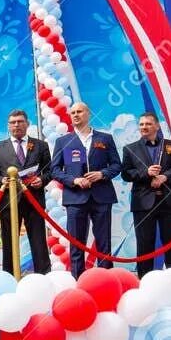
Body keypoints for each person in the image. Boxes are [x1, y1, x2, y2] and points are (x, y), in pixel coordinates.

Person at [51, 102, 122, 276]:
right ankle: (78, 280)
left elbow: (116, 165)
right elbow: (54, 170)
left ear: (88, 114)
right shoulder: (63, 141)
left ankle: (106, 280)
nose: (75, 115)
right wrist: (74, 180)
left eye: (79, 111)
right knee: (76, 243)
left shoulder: (105, 139)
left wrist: (102, 174)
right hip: (75, 198)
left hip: (102, 196)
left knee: (104, 243)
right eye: (73, 112)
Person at [120, 112, 171, 274]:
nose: (144, 127)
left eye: (148, 124)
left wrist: (165, 176)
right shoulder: (130, 149)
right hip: (143, 203)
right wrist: (146, 173)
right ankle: (145, 280)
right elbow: (126, 173)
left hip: (170, 201)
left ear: (157, 126)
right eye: (141, 124)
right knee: (145, 244)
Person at [0, 109, 53, 275]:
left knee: (38, 241)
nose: (17, 125)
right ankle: (8, 277)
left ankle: (42, 276)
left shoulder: (40, 146)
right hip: (8, 202)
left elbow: (50, 170)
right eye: (13, 122)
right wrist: (2, 180)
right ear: (8, 126)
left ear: (27, 124)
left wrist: (42, 180)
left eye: (20, 121)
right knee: (9, 242)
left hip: (34, 200)